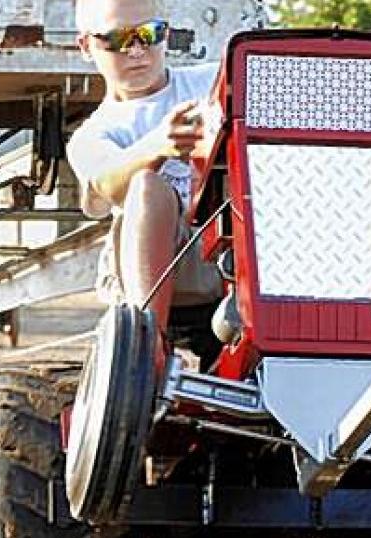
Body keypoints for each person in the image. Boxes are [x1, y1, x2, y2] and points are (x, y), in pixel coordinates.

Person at [66, 0, 224, 342]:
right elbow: (105, 181)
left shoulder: (215, 83)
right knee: (148, 188)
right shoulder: (94, 134)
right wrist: (158, 147)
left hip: (232, 251)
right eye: (118, 39)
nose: (137, 50)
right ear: (86, 46)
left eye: (150, 34)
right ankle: (145, 345)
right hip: (168, 268)